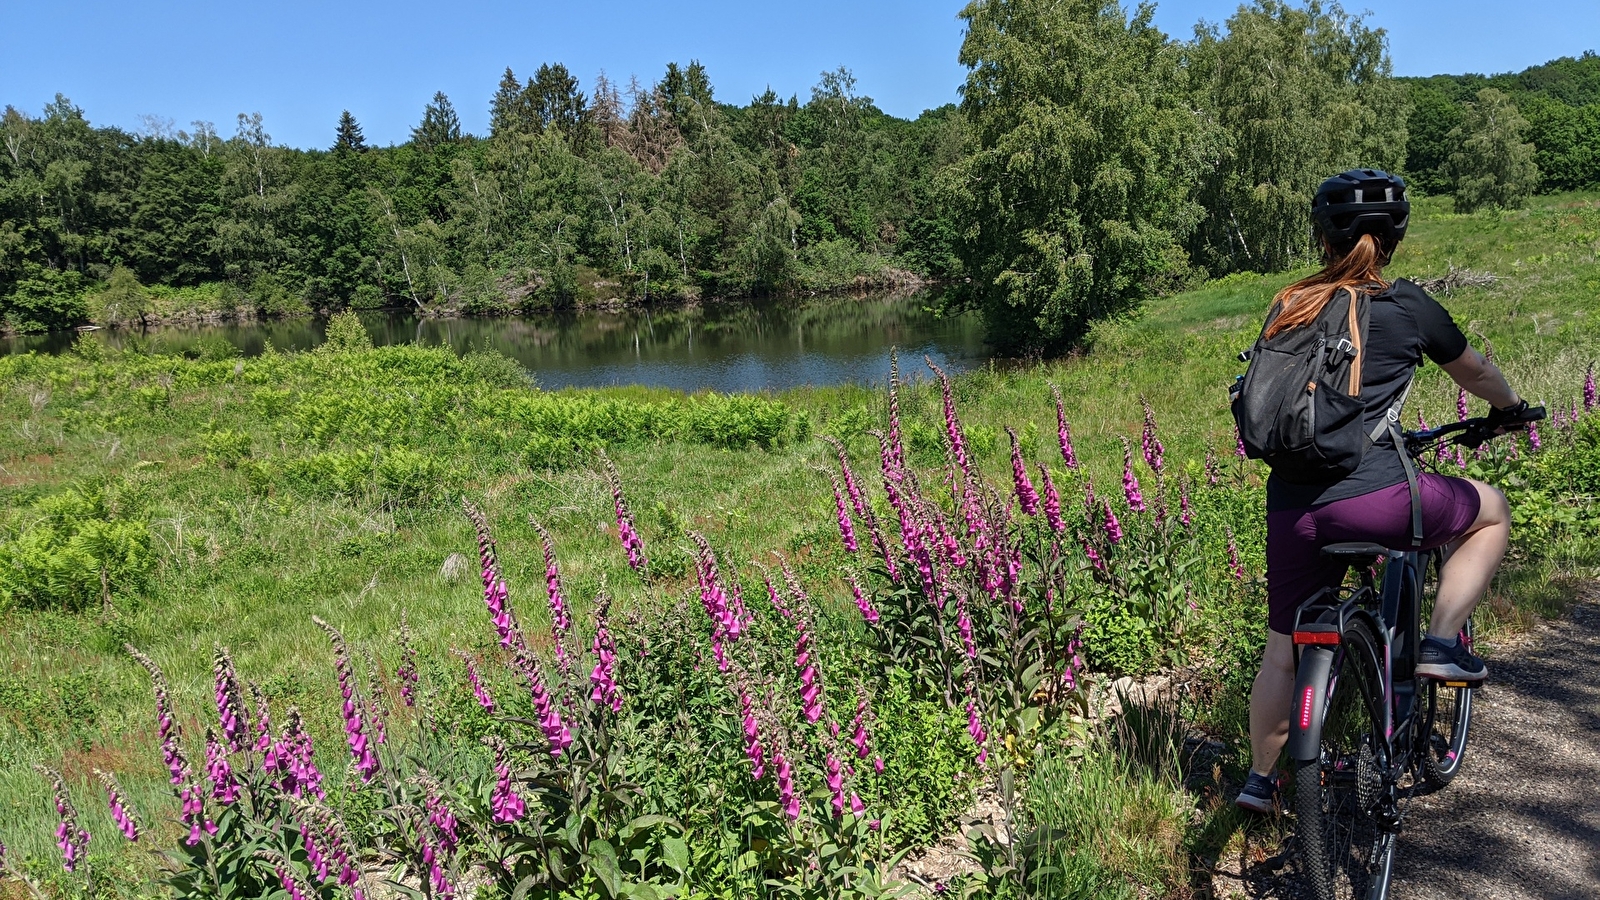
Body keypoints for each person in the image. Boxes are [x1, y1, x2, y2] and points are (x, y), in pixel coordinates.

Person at [1234, 169, 1530, 814]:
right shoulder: (1406, 305)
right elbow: (1474, 371)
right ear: (1395, 235)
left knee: (1282, 649)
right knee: (1492, 513)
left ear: (1321, 235)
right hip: (1377, 497)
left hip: (1291, 508)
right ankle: (1441, 644)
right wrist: (1509, 408)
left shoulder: (1290, 305)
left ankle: (1261, 779)